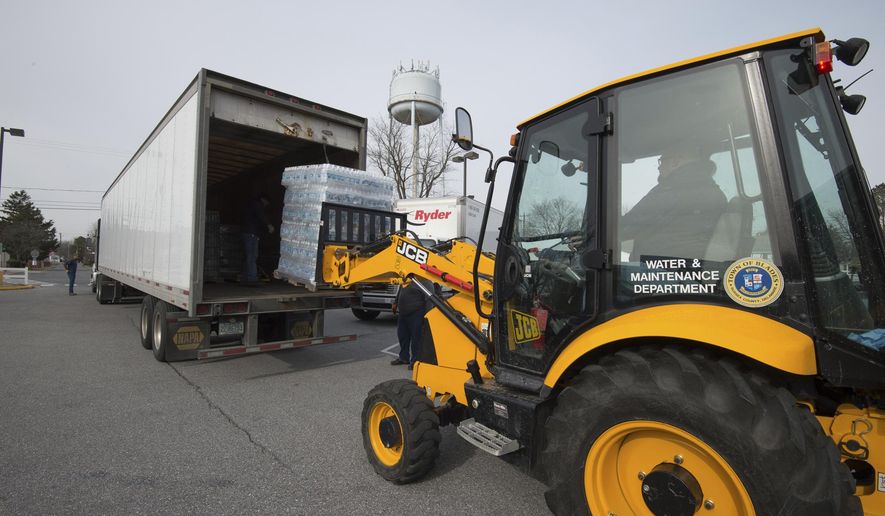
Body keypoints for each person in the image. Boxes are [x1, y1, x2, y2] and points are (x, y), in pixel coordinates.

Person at [621, 141, 727, 261]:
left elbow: (629, 225)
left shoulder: (671, 190)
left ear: (675, 162)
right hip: (689, 266)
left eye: (661, 161)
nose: (659, 167)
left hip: (661, 269)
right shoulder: (713, 191)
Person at [391, 277, 435, 370]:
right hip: (403, 313)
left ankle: (415, 361)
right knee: (402, 336)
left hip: (416, 313)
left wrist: (427, 316)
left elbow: (429, 299)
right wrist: (395, 302)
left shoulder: (425, 281)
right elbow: (400, 290)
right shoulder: (406, 278)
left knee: (416, 339)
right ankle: (403, 358)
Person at [242, 195, 275, 285]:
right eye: (266, 203)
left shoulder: (250, 205)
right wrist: (269, 225)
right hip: (252, 233)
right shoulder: (257, 205)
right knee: (252, 256)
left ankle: (245, 278)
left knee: (248, 256)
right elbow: (261, 215)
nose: (266, 205)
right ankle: (252, 279)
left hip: (248, 233)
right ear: (263, 199)